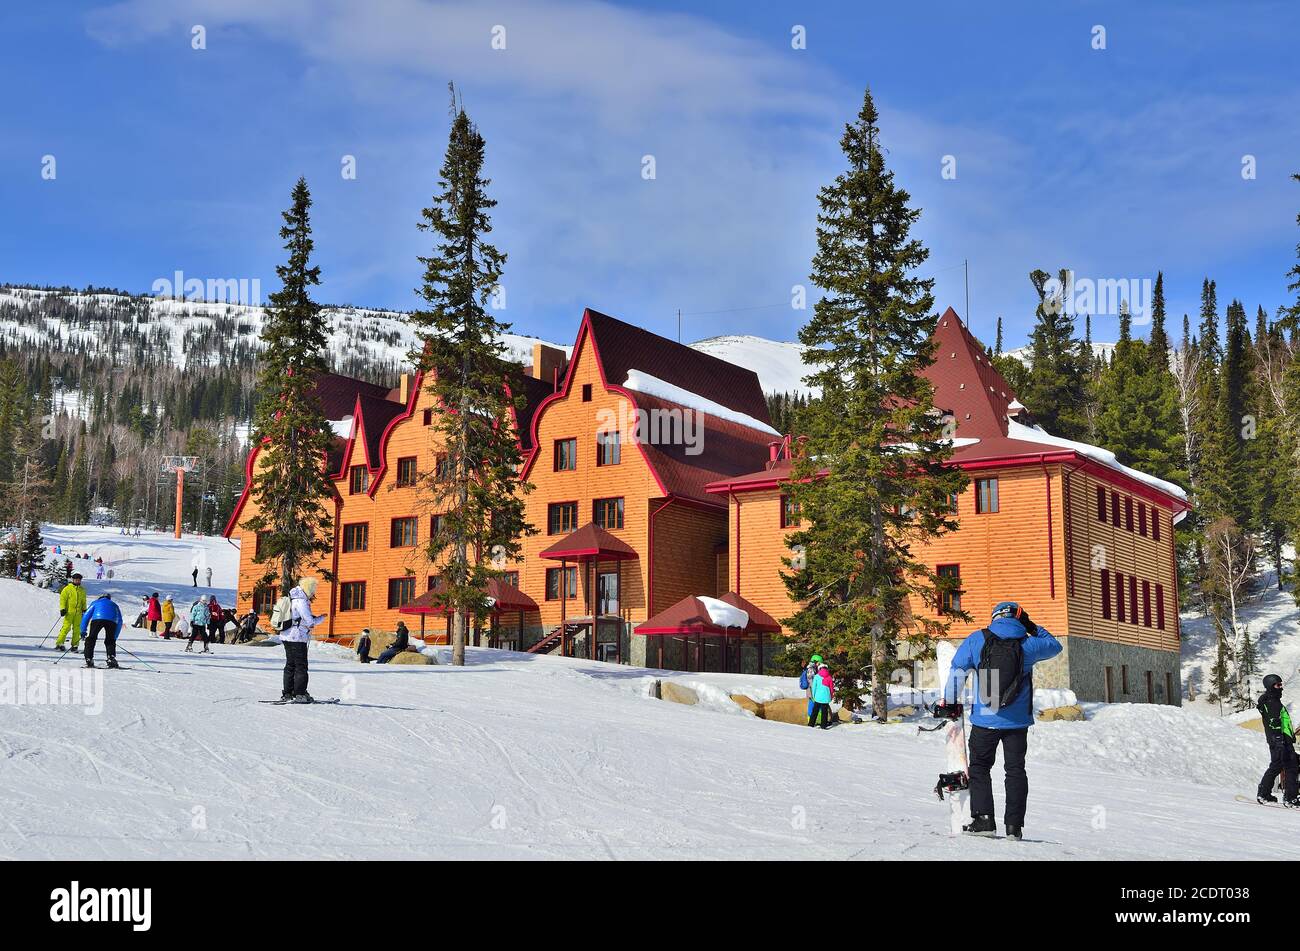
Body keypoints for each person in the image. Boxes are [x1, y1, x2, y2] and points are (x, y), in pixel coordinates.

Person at [942, 601, 1062, 840]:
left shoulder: (977, 639)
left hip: (985, 719)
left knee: (980, 768)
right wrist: (1031, 625)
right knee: (1015, 770)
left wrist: (949, 700)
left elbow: (957, 669)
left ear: (995, 616)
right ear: (1019, 618)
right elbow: (1055, 646)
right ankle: (1014, 827)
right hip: (1017, 723)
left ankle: (984, 820)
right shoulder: (1028, 644)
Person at [1256, 674, 1298, 806]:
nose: (1281, 688)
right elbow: (1274, 722)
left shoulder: (1272, 701)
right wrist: (1280, 740)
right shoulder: (1272, 702)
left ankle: (1264, 794)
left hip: (1280, 740)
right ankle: (1291, 798)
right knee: (1291, 766)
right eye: (1278, 685)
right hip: (1280, 741)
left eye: (1281, 685)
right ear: (1271, 686)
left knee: (1276, 766)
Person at [282, 577, 325, 702]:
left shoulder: (291, 598)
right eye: (313, 589)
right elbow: (309, 620)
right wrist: (320, 619)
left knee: (290, 665)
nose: (313, 592)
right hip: (297, 637)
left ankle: (287, 693)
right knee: (301, 666)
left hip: (286, 635)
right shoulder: (301, 601)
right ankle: (300, 693)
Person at [80, 593, 123, 669]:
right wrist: (114, 637)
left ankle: (88, 658)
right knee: (110, 640)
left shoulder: (95, 603)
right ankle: (111, 658)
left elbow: (86, 616)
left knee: (91, 638)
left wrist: (83, 631)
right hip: (111, 621)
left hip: (97, 619)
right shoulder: (114, 605)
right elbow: (120, 621)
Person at [54, 572, 87, 652]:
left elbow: (83, 601)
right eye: (76, 580)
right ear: (73, 580)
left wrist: (84, 609)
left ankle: (75, 645)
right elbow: (63, 599)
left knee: (77, 630)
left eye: (79, 580)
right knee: (66, 628)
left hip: (78, 613)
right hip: (69, 612)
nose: (77, 581)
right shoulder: (67, 589)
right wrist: (62, 609)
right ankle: (59, 643)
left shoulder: (82, 590)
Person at [808, 662, 834, 728]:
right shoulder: (829, 677)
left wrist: (813, 696)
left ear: (819, 669)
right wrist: (831, 696)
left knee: (815, 712)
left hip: (818, 697)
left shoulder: (816, 676)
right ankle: (823, 726)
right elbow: (831, 689)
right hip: (826, 697)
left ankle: (811, 724)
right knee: (824, 712)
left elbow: (814, 687)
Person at [799, 653, 823, 720]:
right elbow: (812, 682)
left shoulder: (809, 668)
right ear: (816, 662)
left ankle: (811, 720)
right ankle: (816, 720)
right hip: (813, 691)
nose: (820, 664)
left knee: (812, 705)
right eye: (819, 663)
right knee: (816, 705)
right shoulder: (812, 670)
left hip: (810, 691)